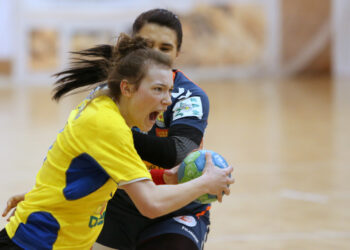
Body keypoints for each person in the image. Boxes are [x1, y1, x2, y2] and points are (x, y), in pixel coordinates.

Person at [0, 34, 233, 249]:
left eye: (170, 91)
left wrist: (165, 177)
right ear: (127, 88)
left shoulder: (106, 110)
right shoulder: (107, 125)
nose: (167, 101)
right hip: (33, 244)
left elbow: (88, 171)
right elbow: (150, 204)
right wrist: (205, 184)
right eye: (158, 90)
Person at [94, 9, 215, 250]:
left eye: (165, 48)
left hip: (174, 210)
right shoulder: (109, 92)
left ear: (177, 53)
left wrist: (110, 133)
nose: (155, 55)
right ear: (131, 46)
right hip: (116, 206)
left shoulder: (189, 96)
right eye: (146, 45)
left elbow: (179, 153)